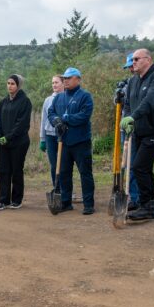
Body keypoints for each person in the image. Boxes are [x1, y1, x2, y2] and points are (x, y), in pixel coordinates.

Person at [121, 49, 154, 221]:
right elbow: (128, 103)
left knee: (139, 166)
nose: (133, 62)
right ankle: (148, 206)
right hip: (139, 131)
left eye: (136, 59)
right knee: (144, 168)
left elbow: (150, 101)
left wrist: (133, 116)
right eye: (132, 59)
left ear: (148, 60)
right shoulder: (133, 80)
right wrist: (127, 117)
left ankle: (147, 206)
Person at [48, 67, 95, 214]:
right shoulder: (59, 97)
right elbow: (51, 112)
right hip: (64, 142)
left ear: (78, 79)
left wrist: (66, 119)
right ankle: (66, 202)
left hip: (81, 142)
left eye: (69, 78)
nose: (66, 80)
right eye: (65, 78)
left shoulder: (85, 96)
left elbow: (84, 115)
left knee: (85, 173)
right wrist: (56, 122)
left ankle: (88, 204)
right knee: (64, 173)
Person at [0, 74, 32, 210]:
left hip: (19, 142)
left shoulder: (25, 102)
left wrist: (8, 137)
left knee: (16, 170)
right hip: (3, 143)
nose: (9, 86)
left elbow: (21, 124)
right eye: (8, 83)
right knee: (4, 171)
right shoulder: (3, 102)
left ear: (18, 85)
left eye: (12, 84)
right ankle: (3, 200)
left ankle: (17, 200)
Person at [121, 53, 140, 210]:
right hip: (126, 126)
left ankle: (135, 197)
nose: (131, 69)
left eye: (132, 66)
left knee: (134, 164)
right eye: (129, 67)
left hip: (138, 127)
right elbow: (126, 106)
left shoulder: (146, 82)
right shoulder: (129, 83)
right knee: (126, 163)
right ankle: (132, 196)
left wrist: (132, 119)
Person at [40, 75, 65, 190]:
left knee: (64, 164)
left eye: (56, 82)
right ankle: (56, 188)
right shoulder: (48, 100)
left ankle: (66, 189)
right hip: (50, 135)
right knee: (54, 164)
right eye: (53, 83)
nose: (54, 85)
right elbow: (43, 119)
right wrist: (42, 139)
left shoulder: (67, 98)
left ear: (63, 83)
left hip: (63, 136)